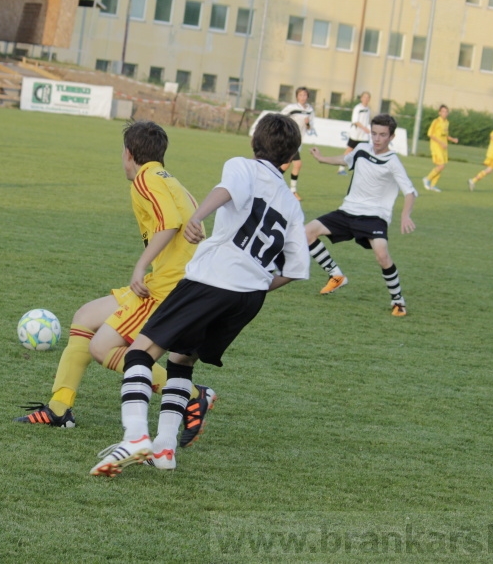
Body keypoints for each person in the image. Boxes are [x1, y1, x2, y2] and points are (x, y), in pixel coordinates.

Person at [90, 113, 309, 476]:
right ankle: (165, 448)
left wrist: (198, 217)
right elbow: (296, 268)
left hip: (212, 279)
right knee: (182, 359)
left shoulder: (243, 166)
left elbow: (227, 190)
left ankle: (135, 436)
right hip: (249, 298)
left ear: (254, 141)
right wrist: (255, 283)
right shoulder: (291, 203)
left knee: (140, 352)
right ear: (290, 157)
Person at [17, 120, 215, 449]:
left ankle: (192, 395)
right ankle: (59, 409)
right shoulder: (171, 180)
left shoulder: (144, 179)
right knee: (85, 317)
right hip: (177, 279)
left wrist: (140, 266)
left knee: (102, 348)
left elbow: (170, 223)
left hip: (166, 287)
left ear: (128, 154)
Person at [304, 114, 417, 317]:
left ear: (391, 137)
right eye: (374, 133)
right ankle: (336, 275)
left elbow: (410, 192)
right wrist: (322, 158)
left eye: (382, 135)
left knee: (382, 255)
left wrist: (405, 215)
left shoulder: (393, 161)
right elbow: (345, 159)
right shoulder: (362, 149)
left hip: (374, 217)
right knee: (307, 232)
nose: (377, 139)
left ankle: (398, 301)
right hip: (347, 211)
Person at [280, 87, 316, 200]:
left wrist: (308, 123)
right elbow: (280, 118)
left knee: (286, 165)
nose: (302, 97)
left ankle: (270, 181)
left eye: (304, 95)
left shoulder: (310, 110)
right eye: (300, 95)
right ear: (297, 96)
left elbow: (310, 128)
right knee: (298, 164)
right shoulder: (292, 108)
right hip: (290, 139)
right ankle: (293, 191)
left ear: (308, 97)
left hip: (299, 140)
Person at [423, 105, 458, 192]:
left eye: (446, 111)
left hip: (443, 147)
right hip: (436, 146)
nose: (445, 113)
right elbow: (430, 134)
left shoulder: (446, 122)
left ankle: (433, 185)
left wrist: (453, 139)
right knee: (441, 165)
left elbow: (445, 135)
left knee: (441, 166)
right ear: (439, 113)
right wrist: (441, 143)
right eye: (443, 111)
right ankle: (427, 179)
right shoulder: (436, 121)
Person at [339, 91, 372, 175]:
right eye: (364, 97)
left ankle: (362, 170)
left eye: (368, 97)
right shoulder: (357, 108)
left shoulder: (368, 109)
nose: (366, 99)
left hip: (364, 135)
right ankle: (341, 168)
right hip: (356, 134)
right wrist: (364, 128)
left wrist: (367, 129)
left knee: (365, 151)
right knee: (349, 150)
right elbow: (355, 121)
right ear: (361, 98)